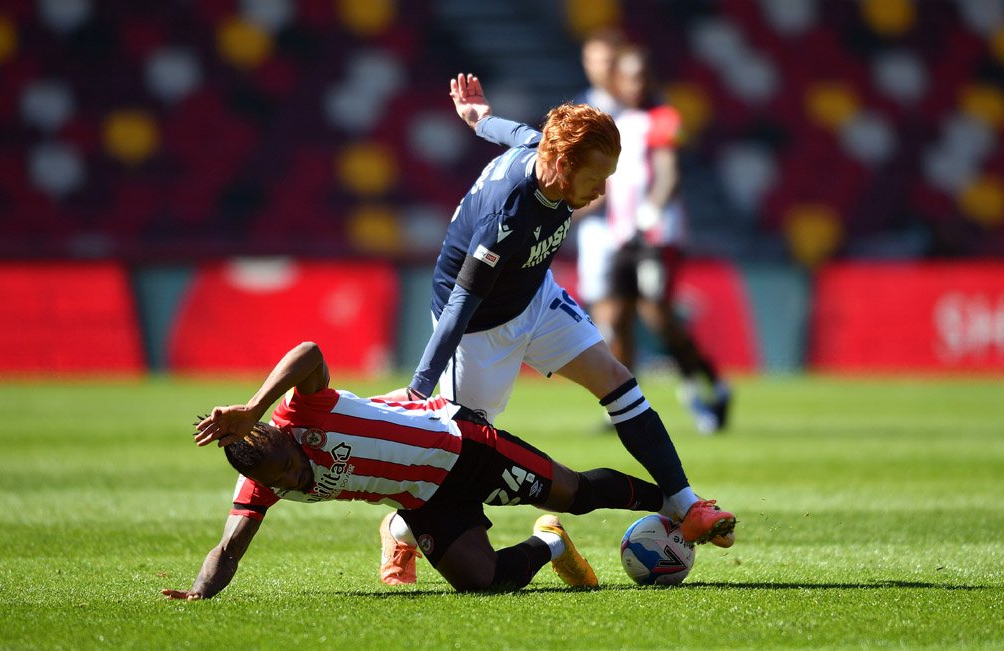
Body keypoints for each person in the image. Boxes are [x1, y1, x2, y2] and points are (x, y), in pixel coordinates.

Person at [374, 73, 735, 583]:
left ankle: (686, 502)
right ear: (563, 165)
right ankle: (399, 528)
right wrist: (418, 390)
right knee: (465, 466)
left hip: (535, 296)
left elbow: (513, 131)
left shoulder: (543, 152)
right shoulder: (509, 215)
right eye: (597, 179)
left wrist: (477, 117)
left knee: (616, 379)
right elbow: (459, 304)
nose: (602, 191)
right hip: (477, 330)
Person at [164, 341, 697, 599]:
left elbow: (309, 351)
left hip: (461, 446)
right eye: (282, 481)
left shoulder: (300, 411)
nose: (295, 477)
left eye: (290, 463)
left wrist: (254, 408)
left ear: (280, 434)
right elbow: (228, 549)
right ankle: (552, 544)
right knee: (483, 584)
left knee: (574, 492)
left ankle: (676, 505)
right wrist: (199, 593)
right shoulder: (260, 479)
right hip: (423, 498)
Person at [602, 45, 731, 434]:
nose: (636, 84)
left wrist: (651, 210)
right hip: (621, 235)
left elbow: (668, 171)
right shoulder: (616, 121)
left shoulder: (664, 117)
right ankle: (627, 409)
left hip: (657, 234)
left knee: (656, 313)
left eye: (642, 76)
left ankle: (703, 383)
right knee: (616, 318)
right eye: (629, 76)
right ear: (618, 81)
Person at [572, 28, 624, 356]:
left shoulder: (634, 105)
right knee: (601, 296)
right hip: (598, 220)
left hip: (633, 217)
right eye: (593, 61)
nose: (600, 67)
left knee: (639, 302)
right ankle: (618, 384)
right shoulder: (581, 108)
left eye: (606, 61)